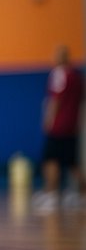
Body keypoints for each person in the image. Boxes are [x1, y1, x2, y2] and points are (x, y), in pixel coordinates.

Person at [34, 46, 83, 212]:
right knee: (71, 162)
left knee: (50, 159)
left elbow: (56, 99)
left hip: (58, 125)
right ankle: (82, 194)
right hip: (72, 125)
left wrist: (49, 119)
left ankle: (51, 194)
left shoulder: (59, 73)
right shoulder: (77, 76)